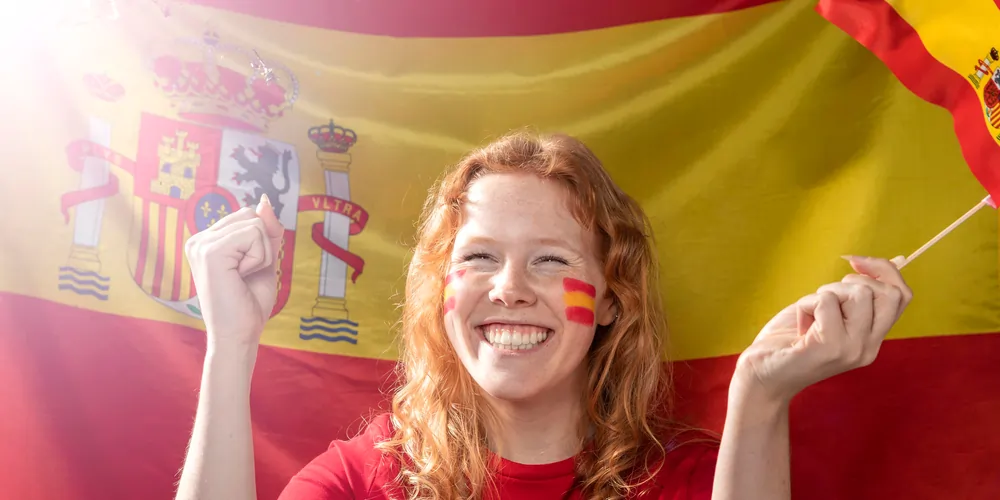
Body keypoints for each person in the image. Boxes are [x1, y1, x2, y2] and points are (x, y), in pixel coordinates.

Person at [175, 130, 912, 500]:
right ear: (442, 289)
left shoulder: (689, 480)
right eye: (482, 258)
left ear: (613, 298)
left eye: (553, 261)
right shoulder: (366, 481)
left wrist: (761, 397)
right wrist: (231, 346)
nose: (511, 289)